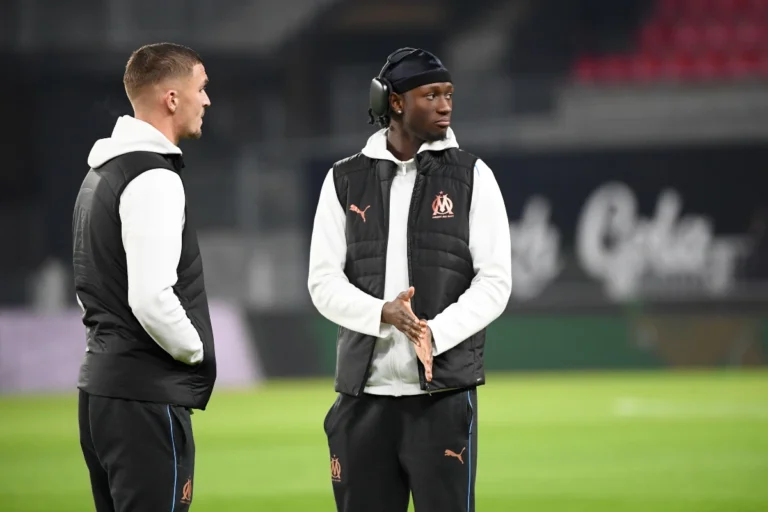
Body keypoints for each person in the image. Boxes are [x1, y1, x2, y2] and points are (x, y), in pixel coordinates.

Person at [307, 47, 512, 512]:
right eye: (431, 95)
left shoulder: (473, 176)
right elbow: (322, 282)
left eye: (449, 94)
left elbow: (495, 281)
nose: (445, 106)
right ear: (395, 102)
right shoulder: (343, 179)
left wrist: (432, 334)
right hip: (362, 400)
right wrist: (383, 313)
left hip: (442, 399)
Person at [72, 42, 216, 512]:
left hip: (101, 394)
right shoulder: (154, 177)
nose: (207, 100)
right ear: (172, 98)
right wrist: (195, 350)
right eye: (201, 88)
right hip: (144, 398)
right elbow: (151, 297)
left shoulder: (101, 173)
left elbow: (91, 288)